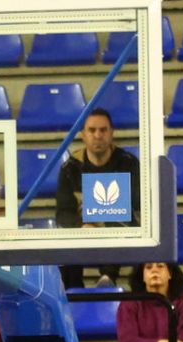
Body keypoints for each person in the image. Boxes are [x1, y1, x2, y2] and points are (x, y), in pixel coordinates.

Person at [55, 107, 141, 289]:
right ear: (83, 134)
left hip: (120, 229)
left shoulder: (129, 163)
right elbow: (63, 213)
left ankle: (108, 277)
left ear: (111, 133)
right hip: (84, 232)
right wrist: (81, 226)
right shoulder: (70, 168)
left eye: (103, 130)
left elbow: (138, 203)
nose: (98, 135)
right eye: (92, 130)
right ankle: (73, 292)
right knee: (65, 241)